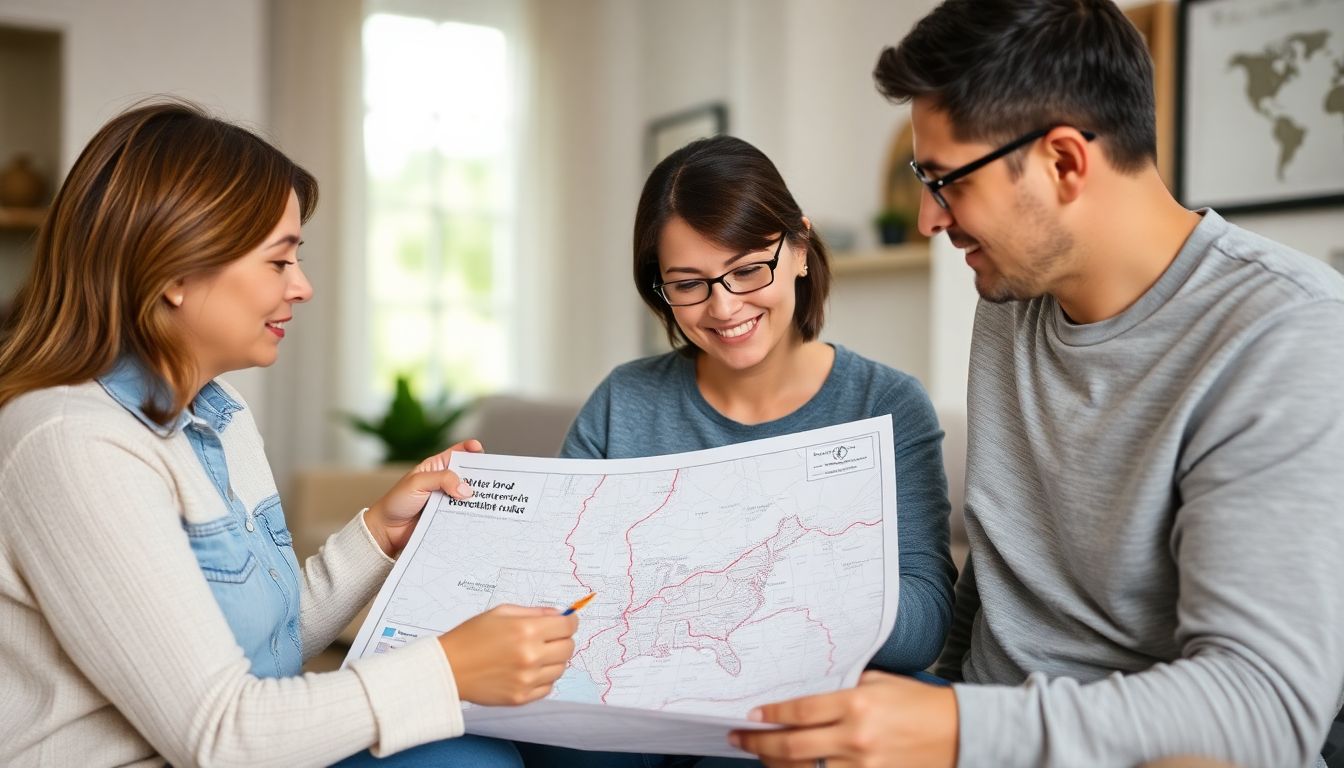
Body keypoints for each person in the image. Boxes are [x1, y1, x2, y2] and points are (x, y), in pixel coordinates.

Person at [732, 0, 1344, 766]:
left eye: (945, 179)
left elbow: (1263, 706)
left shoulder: (1284, 334)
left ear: (1063, 161)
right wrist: (923, 703)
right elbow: (999, 582)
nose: (927, 218)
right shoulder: (1013, 301)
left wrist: (952, 729)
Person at [0, 100, 579, 767]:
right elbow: (220, 735)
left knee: (477, 749)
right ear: (176, 272)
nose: (302, 287)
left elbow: (261, 652)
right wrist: (446, 669)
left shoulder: (221, 416)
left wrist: (378, 537)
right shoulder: (72, 444)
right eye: (279, 262)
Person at [515, 134, 956, 767]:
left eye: (748, 269)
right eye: (688, 284)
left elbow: (924, 629)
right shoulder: (624, 402)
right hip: (634, 701)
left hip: (786, 707)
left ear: (800, 249)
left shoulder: (885, 405)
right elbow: (555, 587)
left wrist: (776, 572)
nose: (724, 307)